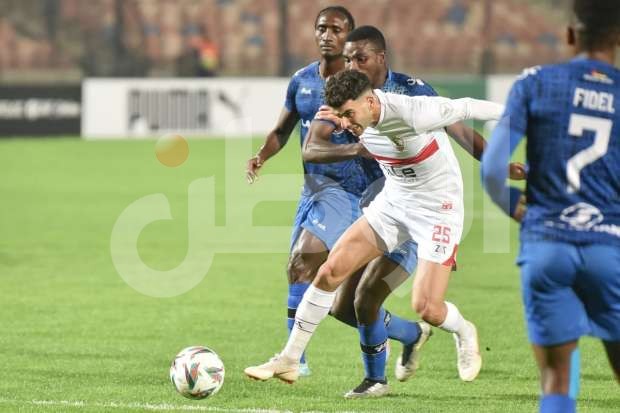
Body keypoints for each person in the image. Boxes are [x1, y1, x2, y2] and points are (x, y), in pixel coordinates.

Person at [244, 70, 505, 388]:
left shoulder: (415, 112)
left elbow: (469, 107)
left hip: (438, 211)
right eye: (340, 115)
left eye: (349, 114)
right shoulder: (351, 116)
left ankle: (464, 331)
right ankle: (289, 359)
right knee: (330, 272)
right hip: (394, 202)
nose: (345, 124)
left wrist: (529, 117)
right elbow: (315, 142)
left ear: (370, 102)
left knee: (427, 307)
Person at [302, 25, 524, 397]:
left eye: (360, 58)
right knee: (341, 306)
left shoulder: (412, 93)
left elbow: (458, 125)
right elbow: (312, 146)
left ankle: (379, 378)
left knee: (384, 301)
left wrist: (495, 162)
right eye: (348, 58)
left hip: (430, 207)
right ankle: (411, 337)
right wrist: (353, 144)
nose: (352, 65)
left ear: (380, 58)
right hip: (384, 204)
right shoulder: (345, 99)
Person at [244, 7, 427, 383]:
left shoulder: (361, 89)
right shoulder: (302, 80)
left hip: (357, 194)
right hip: (314, 190)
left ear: (349, 38)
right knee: (336, 299)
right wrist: (262, 155)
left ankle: (297, 359)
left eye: (336, 29)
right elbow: (284, 129)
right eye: (321, 28)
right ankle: (409, 334)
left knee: (312, 270)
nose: (327, 35)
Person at [481, 1, 620, 412]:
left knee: (556, 381)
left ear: (571, 34)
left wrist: (518, 208)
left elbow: (492, 169)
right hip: (610, 249)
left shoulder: (535, 82)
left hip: (546, 246)